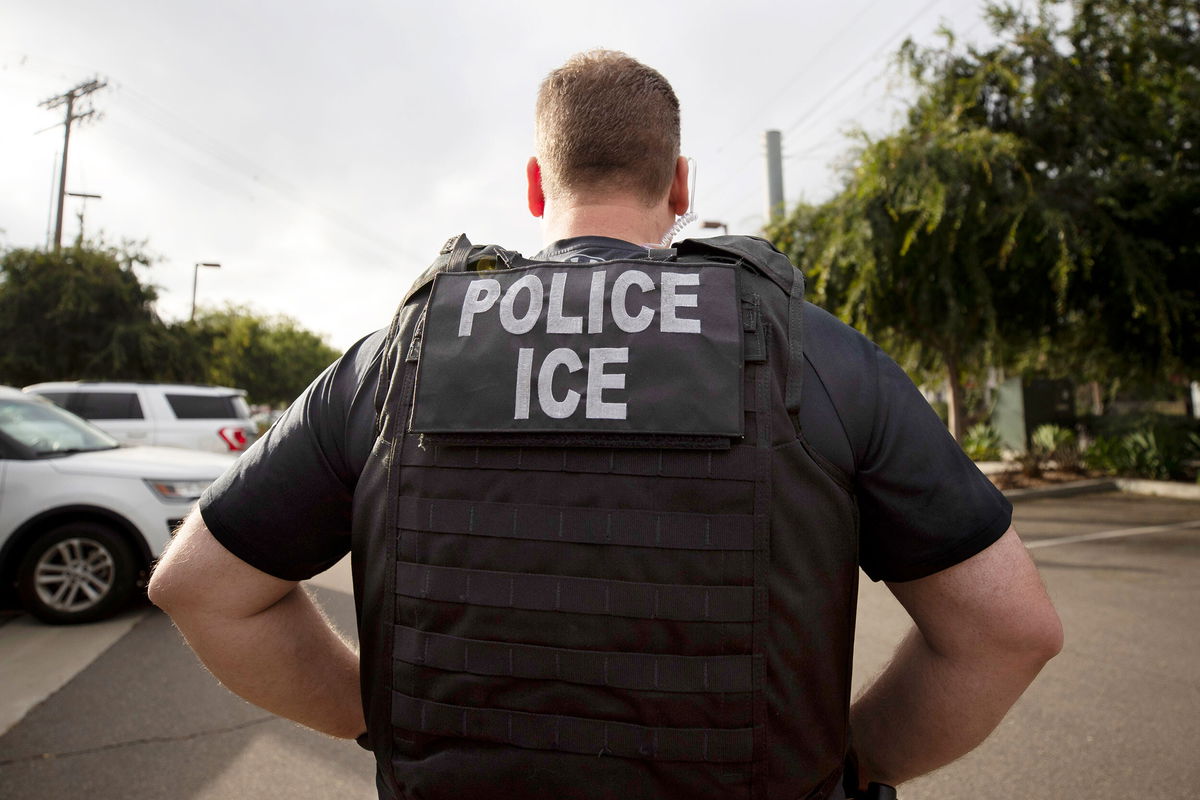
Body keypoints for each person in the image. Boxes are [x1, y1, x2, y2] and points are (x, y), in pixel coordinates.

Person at [149, 50, 1062, 800]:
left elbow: (200, 587)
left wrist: (377, 719)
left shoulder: (403, 355)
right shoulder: (813, 354)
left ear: (538, 184)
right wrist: (857, 762)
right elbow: (1008, 630)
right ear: (682, 184)